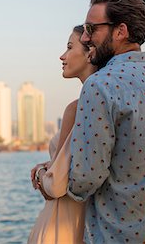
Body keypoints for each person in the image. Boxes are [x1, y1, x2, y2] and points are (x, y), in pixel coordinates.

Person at [67, 0, 145, 243]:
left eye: (91, 29)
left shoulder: (100, 85)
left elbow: (84, 180)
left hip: (117, 236)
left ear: (120, 31)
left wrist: (49, 177)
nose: (86, 38)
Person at [28, 25, 97, 244]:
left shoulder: (77, 108)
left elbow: (55, 187)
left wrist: (40, 173)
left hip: (60, 225)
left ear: (90, 53)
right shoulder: (105, 104)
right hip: (87, 226)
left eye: (69, 47)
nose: (62, 55)